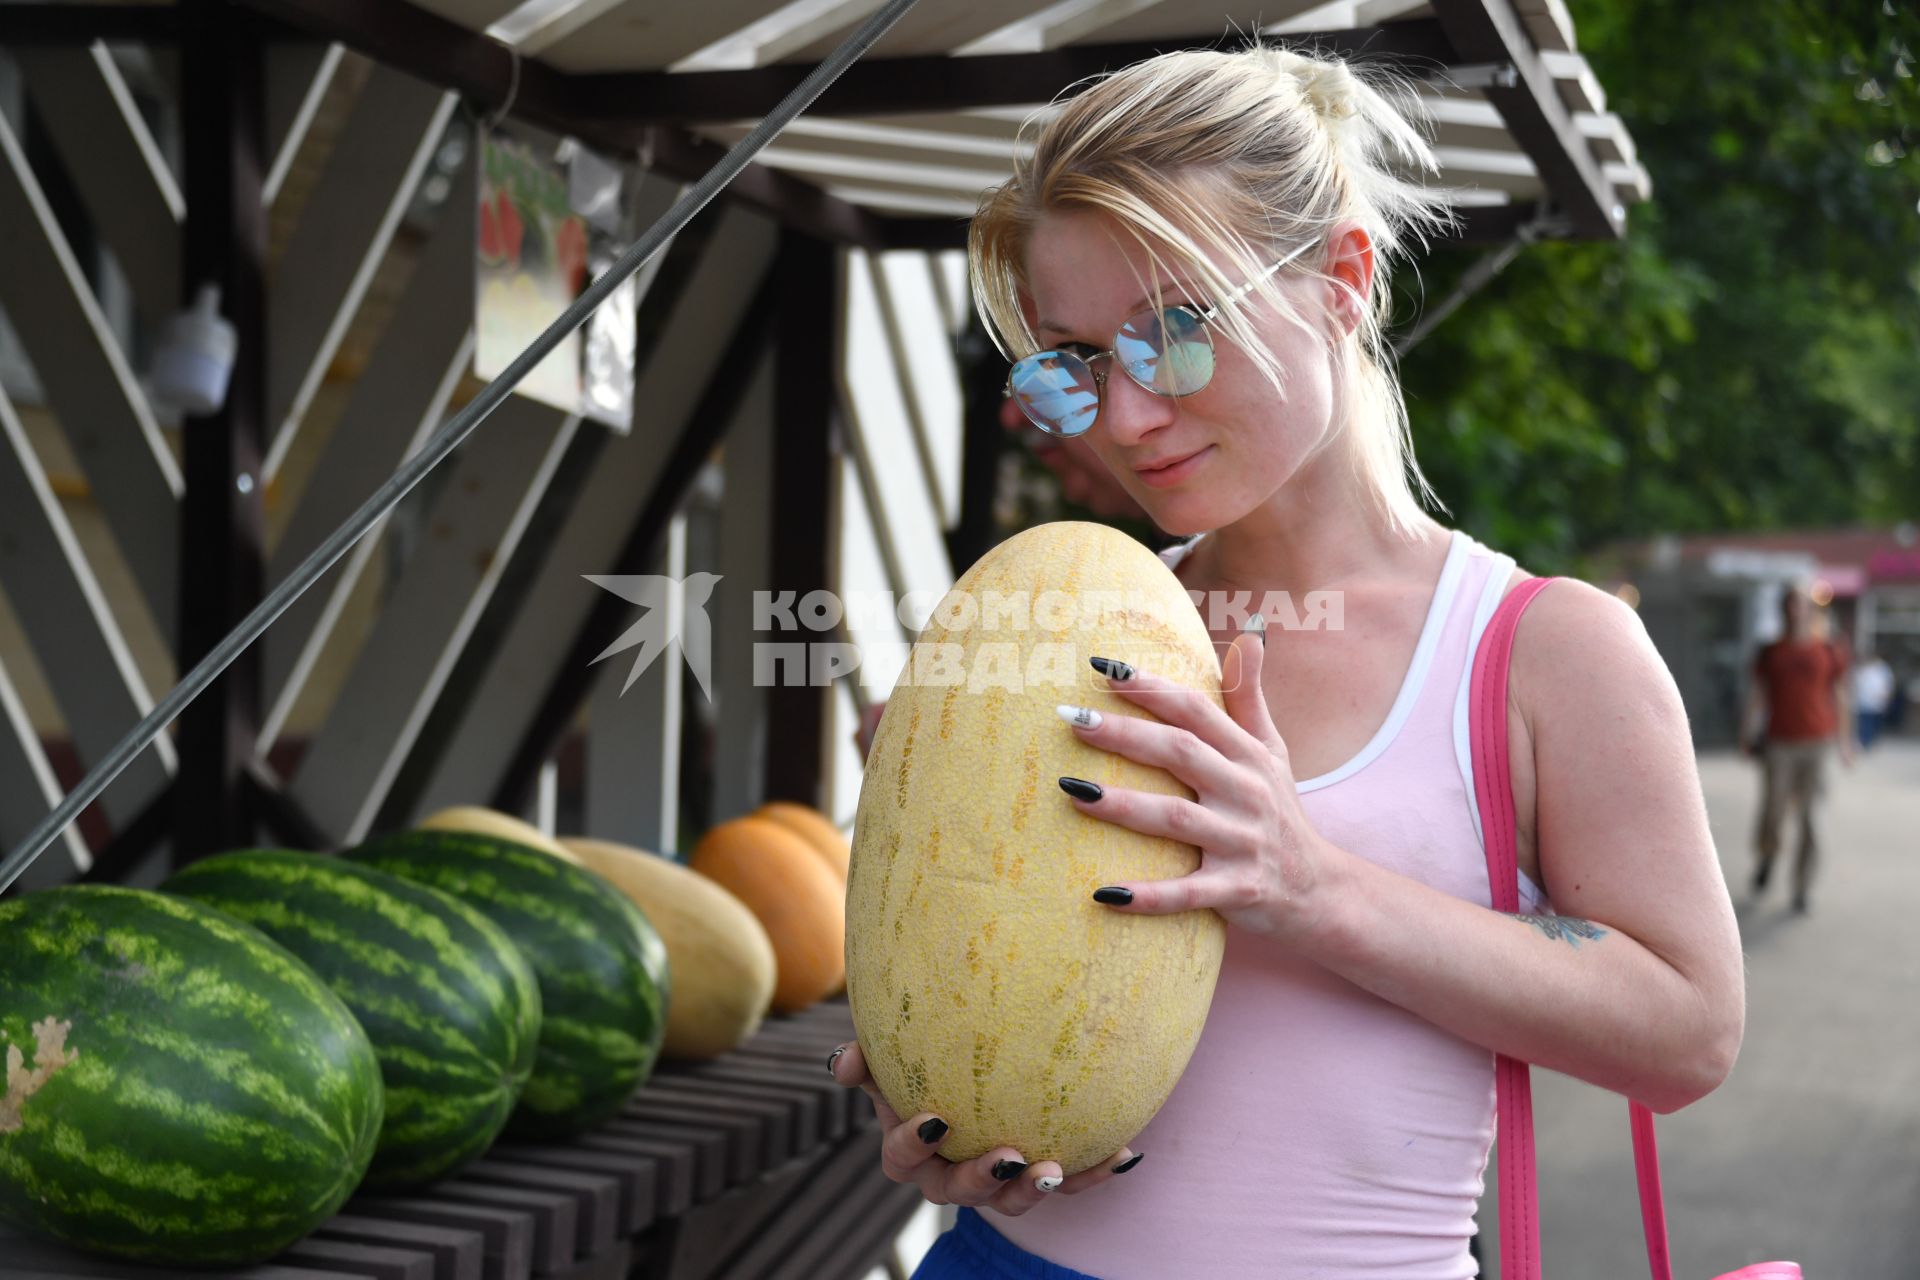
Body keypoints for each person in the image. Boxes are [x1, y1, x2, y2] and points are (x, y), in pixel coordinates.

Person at [830, 44, 1745, 1279]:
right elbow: (975, 1003)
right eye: (1077, 360)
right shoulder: (1057, 630)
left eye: (1174, 331)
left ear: (1342, 281)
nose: (1127, 414)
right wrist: (944, 1072)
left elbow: (1688, 1029)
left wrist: (1311, 885)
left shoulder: (1538, 648)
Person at [1739, 586, 1854, 914]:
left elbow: (1841, 697)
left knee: (1812, 818)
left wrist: (1845, 742)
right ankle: (1768, 855)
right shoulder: (1772, 652)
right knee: (1773, 811)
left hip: (1817, 743)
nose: (1796, 610)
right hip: (1779, 743)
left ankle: (1803, 886)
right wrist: (1746, 733)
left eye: (1802, 604)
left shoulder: (1829, 649)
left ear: (1811, 609)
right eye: (1791, 604)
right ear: (1784, 609)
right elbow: (1758, 694)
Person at [1851, 648, 1895, 750]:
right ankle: (1864, 741)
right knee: (1865, 723)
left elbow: (1888, 685)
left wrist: (1886, 697)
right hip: (1864, 701)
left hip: (1877, 702)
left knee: (1874, 723)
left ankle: (1869, 741)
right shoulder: (1862, 668)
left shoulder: (1882, 669)